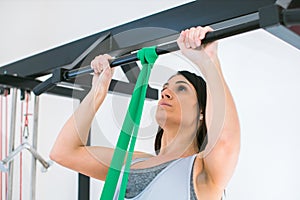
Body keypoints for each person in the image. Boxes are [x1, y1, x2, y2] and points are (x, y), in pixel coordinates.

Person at [50, 26, 240, 200]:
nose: (165, 92)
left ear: (202, 112)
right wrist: (99, 90)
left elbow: (225, 142)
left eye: (181, 89)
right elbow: (64, 152)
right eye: (165, 87)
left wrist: (209, 61)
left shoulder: (202, 172)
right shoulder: (130, 163)